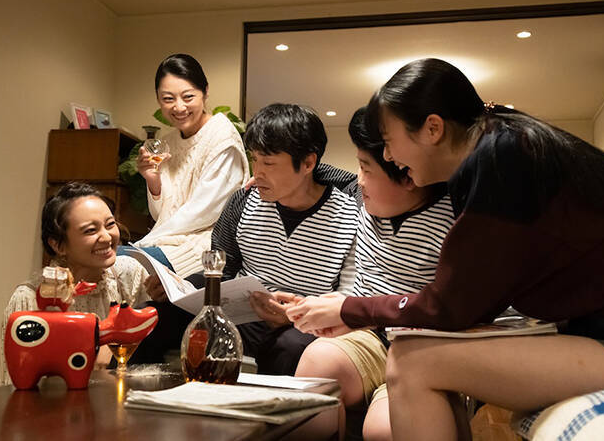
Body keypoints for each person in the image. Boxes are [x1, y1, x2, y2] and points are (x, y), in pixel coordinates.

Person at [287, 58, 604, 440]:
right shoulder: (504, 141)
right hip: (596, 329)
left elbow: (450, 306)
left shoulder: (501, 160)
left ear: (432, 128)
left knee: (412, 362)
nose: (389, 156)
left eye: (389, 141)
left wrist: (350, 309)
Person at [294, 107, 455, 440]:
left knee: (384, 428)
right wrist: (276, 177)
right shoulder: (365, 199)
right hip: (368, 334)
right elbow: (330, 173)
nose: (359, 179)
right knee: (316, 366)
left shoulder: (453, 218)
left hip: (426, 345)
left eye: (366, 169)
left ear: (408, 173)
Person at [211, 103, 359, 375]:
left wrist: (294, 316)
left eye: (268, 163)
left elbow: (349, 294)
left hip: (307, 324)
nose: (257, 172)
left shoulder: (349, 214)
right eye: (254, 159)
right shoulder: (244, 201)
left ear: (308, 163)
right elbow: (221, 268)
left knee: (289, 347)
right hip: (247, 315)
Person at [0, 182, 164, 386]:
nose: (107, 237)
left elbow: (147, 346)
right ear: (58, 245)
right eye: (90, 230)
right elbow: (13, 384)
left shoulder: (129, 273)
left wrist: (162, 300)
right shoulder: (29, 299)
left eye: (110, 224)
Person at [131, 53, 250, 277]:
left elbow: (204, 213)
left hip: (206, 248)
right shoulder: (168, 142)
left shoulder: (222, 137)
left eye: (188, 97)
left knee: (122, 264)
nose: (179, 107)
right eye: (168, 99)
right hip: (168, 241)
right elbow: (160, 214)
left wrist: (146, 242)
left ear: (205, 92)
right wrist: (153, 180)